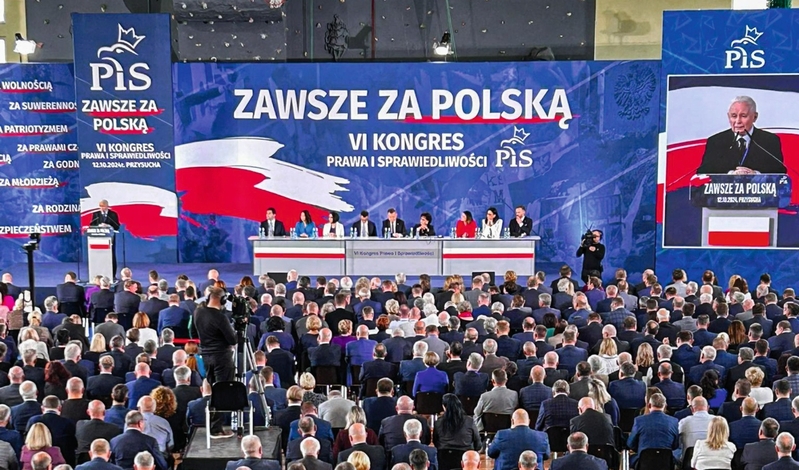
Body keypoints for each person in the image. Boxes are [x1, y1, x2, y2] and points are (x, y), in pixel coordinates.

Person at [696, 96, 786, 176]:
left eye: (743, 116)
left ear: (755, 117)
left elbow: (780, 172)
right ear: (728, 117)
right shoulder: (716, 142)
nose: (738, 121)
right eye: (734, 116)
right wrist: (729, 175)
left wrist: (756, 175)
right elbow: (703, 172)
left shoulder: (770, 141)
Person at [192, 286, 236, 438]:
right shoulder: (220, 317)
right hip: (221, 358)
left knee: (213, 391)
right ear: (222, 300)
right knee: (222, 392)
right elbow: (232, 339)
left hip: (206, 357)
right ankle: (216, 428)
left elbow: (193, 332)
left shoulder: (198, 312)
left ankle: (214, 425)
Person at [88, 200, 120, 278]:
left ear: (107, 206)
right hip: (99, 239)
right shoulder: (96, 214)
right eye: (101, 206)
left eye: (104, 206)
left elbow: (117, 226)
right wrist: (98, 226)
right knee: (99, 255)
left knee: (111, 255)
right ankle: (98, 274)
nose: (102, 208)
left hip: (110, 238)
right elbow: (92, 225)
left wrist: (108, 226)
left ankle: (113, 274)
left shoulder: (113, 214)